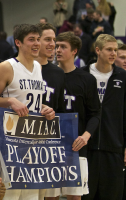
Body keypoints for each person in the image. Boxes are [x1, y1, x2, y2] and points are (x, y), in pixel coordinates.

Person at [0, 24, 55, 200]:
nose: (36, 44)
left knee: (31, 196)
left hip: (33, 140)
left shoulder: (38, 68)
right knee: (10, 195)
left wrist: (44, 108)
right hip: (11, 142)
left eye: (38, 39)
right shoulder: (7, 67)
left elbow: (31, 101)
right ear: (18, 42)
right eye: (31, 39)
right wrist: (10, 100)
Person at [46, 32, 100, 200]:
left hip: (76, 145)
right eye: (57, 46)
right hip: (50, 144)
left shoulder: (87, 79)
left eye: (63, 47)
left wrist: (86, 136)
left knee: (74, 196)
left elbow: (96, 113)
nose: (58, 50)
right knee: (50, 195)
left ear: (75, 51)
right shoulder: (45, 75)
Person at [81, 34, 126, 200]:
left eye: (115, 50)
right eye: (109, 49)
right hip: (86, 148)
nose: (113, 53)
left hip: (114, 147)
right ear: (98, 50)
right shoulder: (83, 74)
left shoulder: (122, 76)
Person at [35, 22, 65, 113]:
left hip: (49, 125)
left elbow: (60, 109)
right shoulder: (21, 68)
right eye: (48, 39)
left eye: (54, 40)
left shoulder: (58, 73)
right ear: (36, 40)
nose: (52, 44)